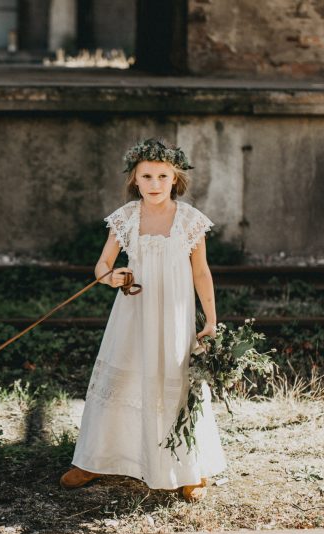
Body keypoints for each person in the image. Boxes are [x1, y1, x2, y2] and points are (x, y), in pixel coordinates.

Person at [59, 138, 227, 501]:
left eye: (162, 176)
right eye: (146, 176)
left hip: (173, 318)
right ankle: (96, 458)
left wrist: (211, 320)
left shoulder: (189, 221)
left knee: (177, 382)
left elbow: (201, 273)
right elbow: (103, 265)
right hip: (133, 316)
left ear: (174, 179)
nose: (154, 183)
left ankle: (186, 467)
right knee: (123, 375)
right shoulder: (126, 218)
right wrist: (110, 277)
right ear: (134, 180)